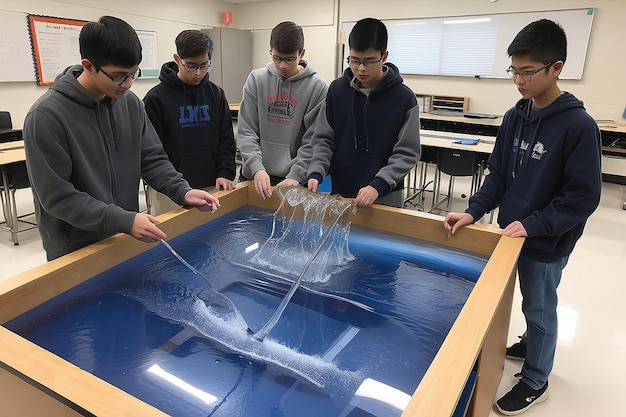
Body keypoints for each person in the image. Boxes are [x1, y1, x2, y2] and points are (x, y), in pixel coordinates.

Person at [442, 19, 602, 415]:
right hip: (511, 232)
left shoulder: (579, 126)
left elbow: (583, 198)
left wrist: (534, 225)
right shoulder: (515, 117)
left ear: (557, 67)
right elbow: (497, 174)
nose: (519, 80)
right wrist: (473, 211)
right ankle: (531, 344)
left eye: (528, 72)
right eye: (514, 70)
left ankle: (536, 379)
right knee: (523, 298)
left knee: (540, 306)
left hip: (546, 239)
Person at [23, 16, 220, 260]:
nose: (127, 84)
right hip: (75, 248)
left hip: (122, 236)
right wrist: (123, 219)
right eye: (119, 76)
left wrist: (182, 190)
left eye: (133, 74)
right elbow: (57, 196)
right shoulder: (46, 116)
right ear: (88, 65)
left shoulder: (130, 104)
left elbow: (152, 159)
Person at [278, 18, 420, 208]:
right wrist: (316, 171)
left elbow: (407, 153)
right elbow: (323, 139)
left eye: (369, 61)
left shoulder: (404, 98)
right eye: (354, 60)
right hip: (341, 193)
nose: (360, 69)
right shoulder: (337, 90)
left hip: (384, 196)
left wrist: (378, 185)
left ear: (384, 56)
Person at [144, 30, 236, 215]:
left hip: (212, 184)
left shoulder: (216, 94)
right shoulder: (155, 99)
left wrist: (225, 172)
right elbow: (153, 153)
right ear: (177, 59)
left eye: (204, 65)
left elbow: (226, 139)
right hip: (170, 192)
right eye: (191, 66)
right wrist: (175, 186)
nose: (198, 73)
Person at [237, 21, 327, 199]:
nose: (283, 65)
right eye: (276, 58)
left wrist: (296, 175)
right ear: (271, 50)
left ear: (301, 53)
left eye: (290, 59)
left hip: (292, 179)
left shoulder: (317, 87)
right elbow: (246, 131)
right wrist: (257, 168)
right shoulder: (256, 80)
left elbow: (313, 140)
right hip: (254, 175)